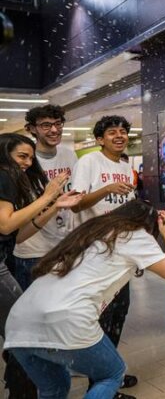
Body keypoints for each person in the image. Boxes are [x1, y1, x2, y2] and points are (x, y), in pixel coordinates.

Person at [5, 201, 165, 399]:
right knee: (112, 373)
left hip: (19, 321)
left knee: (55, 387)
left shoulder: (92, 231)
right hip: (67, 317)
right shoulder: (134, 234)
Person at [0, 133, 82, 398]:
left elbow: (18, 234)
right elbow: (6, 224)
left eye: (30, 158)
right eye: (21, 156)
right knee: (24, 330)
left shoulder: (11, 178)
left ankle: (21, 387)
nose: (26, 163)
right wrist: (47, 197)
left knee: (18, 332)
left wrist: (55, 206)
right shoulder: (4, 175)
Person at [71, 116, 139, 398]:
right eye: (112, 132)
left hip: (120, 252)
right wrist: (106, 189)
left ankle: (110, 374)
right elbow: (76, 204)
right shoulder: (89, 162)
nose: (119, 136)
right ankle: (100, 384)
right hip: (94, 252)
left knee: (119, 312)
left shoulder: (125, 167)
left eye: (123, 131)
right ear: (100, 139)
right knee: (102, 317)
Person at [16, 105, 78, 290]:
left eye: (58, 124)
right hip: (33, 250)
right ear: (32, 129)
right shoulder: (24, 160)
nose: (54, 130)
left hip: (65, 245)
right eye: (46, 125)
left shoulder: (69, 155)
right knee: (33, 305)